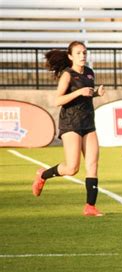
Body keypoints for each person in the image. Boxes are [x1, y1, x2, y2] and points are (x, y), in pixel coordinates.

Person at [32, 41, 105, 217]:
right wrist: (79, 92)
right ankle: (43, 175)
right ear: (71, 56)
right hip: (70, 123)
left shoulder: (89, 73)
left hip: (88, 123)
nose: (83, 56)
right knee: (72, 168)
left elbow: (86, 94)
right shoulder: (67, 75)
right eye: (79, 53)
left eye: (85, 53)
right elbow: (57, 101)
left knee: (93, 164)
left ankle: (90, 206)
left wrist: (96, 93)